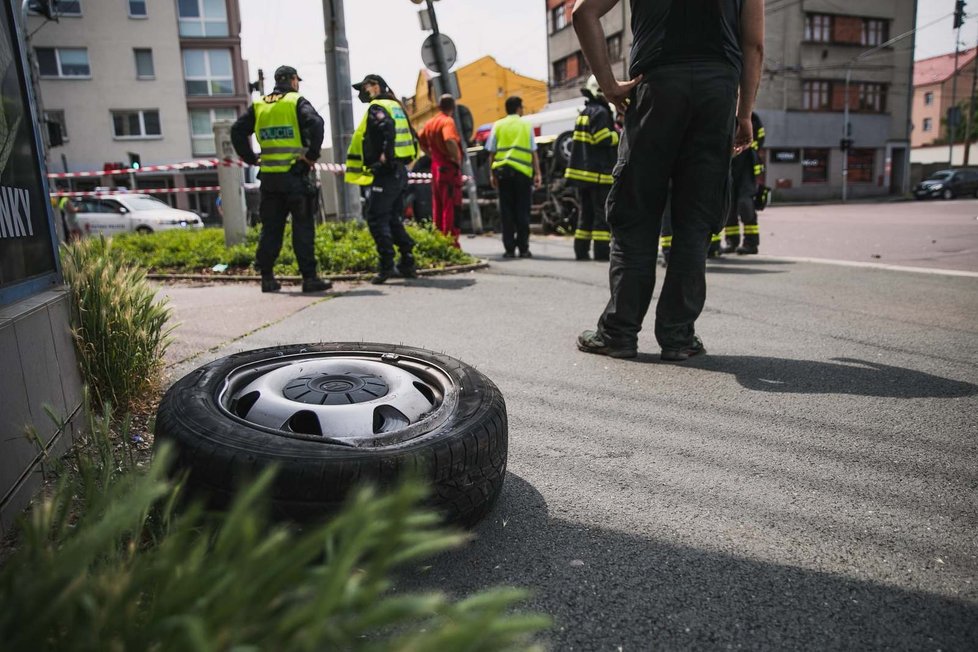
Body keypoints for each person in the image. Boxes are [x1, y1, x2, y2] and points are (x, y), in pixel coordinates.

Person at [574, 0, 765, 361]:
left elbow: (583, 13)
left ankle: (619, 333)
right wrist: (744, 114)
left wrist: (609, 86)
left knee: (637, 213)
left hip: (657, 86)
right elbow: (753, 44)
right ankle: (678, 337)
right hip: (717, 92)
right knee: (696, 218)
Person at [231, 65, 331, 294]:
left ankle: (267, 277)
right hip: (296, 177)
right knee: (303, 228)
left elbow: (237, 130)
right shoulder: (295, 101)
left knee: (271, 229)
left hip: (269, 180)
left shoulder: (260, 105)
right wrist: (311, 156)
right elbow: (316, 123)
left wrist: (249, 158)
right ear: (294, 80)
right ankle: (309, 278)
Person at [345, 74, 419, 285]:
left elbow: (387, 128)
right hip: (399, 172)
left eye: (364, 88)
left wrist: (385, 156)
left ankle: (387, 265)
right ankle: (407, 260)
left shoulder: (377, 107)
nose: (362, 93)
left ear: (375, 87)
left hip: (387, 173)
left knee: (376, 218)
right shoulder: (394, 105)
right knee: (393, 219)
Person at [565, 75, 618, 261]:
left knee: (584, 215)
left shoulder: (585, 111)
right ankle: (601, 252)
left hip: (583, 175)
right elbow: (602, 138)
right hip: (597, 174)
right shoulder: (601, 113)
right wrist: (618, 135)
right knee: (600, 215)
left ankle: (581, 250)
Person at [486, 96, 542, 258]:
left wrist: (492, 174)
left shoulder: (498, 125)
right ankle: (523, 248)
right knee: (522, 211)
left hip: (503, 174)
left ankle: (509, 249)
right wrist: (537, 173)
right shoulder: (526, 125)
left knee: (507, 212)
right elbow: (533, 152)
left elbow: (492, 152)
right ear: (518, 108)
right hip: (523, 175)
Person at [418, 94, 463, 246]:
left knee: (438, 206)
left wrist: (432, 155)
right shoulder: (447, 121)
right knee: (451, 206)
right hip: (449, 169)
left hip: (436, 168)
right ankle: (450, 243)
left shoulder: (431, 123)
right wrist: (456, 158)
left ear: (439, 106)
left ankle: (438, 240)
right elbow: (449, 139)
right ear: (453, 107)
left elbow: (421, 141)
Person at [720, 111, 766, 255]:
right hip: (729, 164)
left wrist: (748, 145)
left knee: (745, 205)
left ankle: (751, 243)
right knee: (729, 206)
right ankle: (731, 242)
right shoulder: (725, 112)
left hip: (747, 165)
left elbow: (760, 138)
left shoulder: (752, 117)